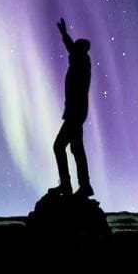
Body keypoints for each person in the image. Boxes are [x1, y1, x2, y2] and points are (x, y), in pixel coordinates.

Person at [52, 17, 93, 197]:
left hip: (75, 114)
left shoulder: (81, 62)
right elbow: (71, 47)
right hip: (75, 112)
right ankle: (83, 186)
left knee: (59, 146)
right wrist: (64, 34)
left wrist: (64, 34)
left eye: (74, 49)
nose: (70, 53)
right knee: (75, 148)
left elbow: (71, 48)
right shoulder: (80, 61)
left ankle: (69, 185)